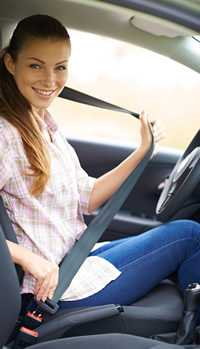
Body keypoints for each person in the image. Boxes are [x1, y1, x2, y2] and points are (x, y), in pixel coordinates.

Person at [0, 14, 200, 314]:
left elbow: (87, 196)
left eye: (60, 67)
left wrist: (143, 151)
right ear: (10, 63)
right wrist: (28, 259)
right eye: (35, 65)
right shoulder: (5, 135)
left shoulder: (44, 125)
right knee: (190, 235)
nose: (50, 80)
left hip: (74, 260)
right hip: (53, 288)